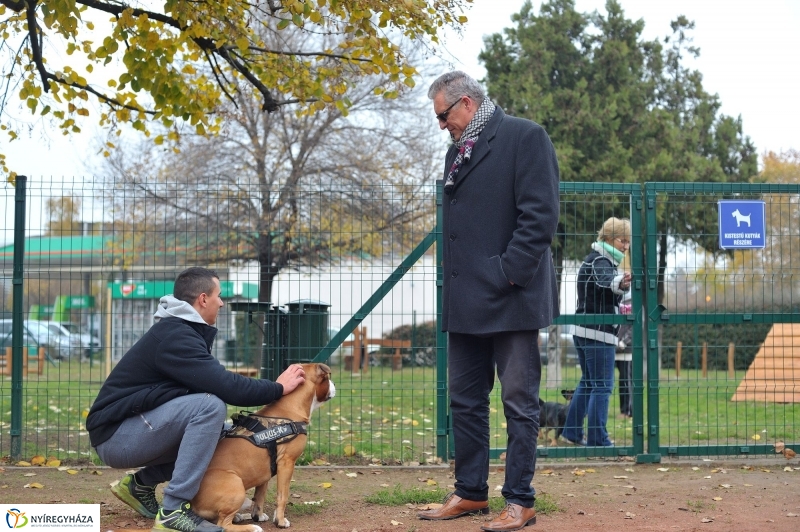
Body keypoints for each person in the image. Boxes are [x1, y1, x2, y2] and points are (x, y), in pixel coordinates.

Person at [417, 71, 560, 532]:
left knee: (520, 403)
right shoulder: (456, 151)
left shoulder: (525, 137)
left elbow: (540, 216)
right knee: (464, 400)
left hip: (511, 298)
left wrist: (506, 273)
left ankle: (520, 501)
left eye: (444, 115)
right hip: (466, 300)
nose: (442, 125)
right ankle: (470, 491)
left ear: (466, 103)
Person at [86, 267, 307, 532]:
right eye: (218, 296)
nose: (222, 303)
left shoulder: (184, 331)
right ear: (203, 299)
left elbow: (217, 382)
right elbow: (228, 387)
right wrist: (278, 388)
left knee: (224, 433)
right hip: (116, 437)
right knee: (210, 407)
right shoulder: (176, 336)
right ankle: (173, 511)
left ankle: (140, 484)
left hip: (135, 429)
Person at [561, 218, 632, 447]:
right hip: (598, 333)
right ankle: (598, 439)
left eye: (628, 242)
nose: (626, 246)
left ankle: (572, 432)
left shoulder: (595, 259)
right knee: (602, 386)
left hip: (583, 331)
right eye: (622, 241)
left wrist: (620, 283)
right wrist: (620, 282)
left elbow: (606, 285)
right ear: (609, 238)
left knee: (589, 383)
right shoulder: (601, 261)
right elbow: (605, 281)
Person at [615, 300, 633, 419]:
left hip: (625, 352)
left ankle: (627, 411)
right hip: (611, 349)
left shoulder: (634, 305)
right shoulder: (614, 302)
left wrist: (623, 342)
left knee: (625, 381)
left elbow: (634, 327)